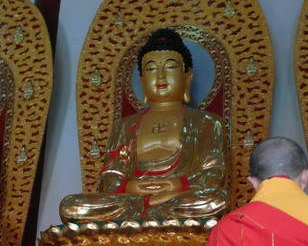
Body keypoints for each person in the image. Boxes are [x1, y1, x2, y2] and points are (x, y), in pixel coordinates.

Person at [59, 27, 228, 222]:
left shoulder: (207, 123)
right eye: (151, 69)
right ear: (142, 81)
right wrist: (133, 187)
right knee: (71, 206)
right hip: (131, 200)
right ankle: (148, 214)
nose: (161, 76)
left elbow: (213, 175)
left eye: (170, 67)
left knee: (216, 201)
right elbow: (109, 177)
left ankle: (145, 217)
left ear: (187, 76)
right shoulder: (125, 126)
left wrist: (174, 185)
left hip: (178, 198)